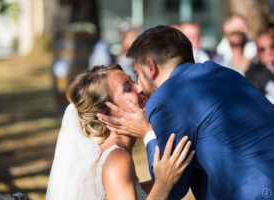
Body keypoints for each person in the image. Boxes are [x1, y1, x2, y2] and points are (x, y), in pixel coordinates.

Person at [98, 25, 274, 199]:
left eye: (138, 74)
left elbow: (173, 188)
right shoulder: (224, 72)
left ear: (151, 68)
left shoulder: (164, 98)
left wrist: (147, 133)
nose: (140, 88)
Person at [46, 65, 195, 200]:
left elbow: (132, 190)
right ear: (107, 112)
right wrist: (163, 185)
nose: (140, 88)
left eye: (133, 81)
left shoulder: (108, 156)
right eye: (127, 89)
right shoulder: (117, 159)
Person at [245, 32, 274, 103]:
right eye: (262, 49)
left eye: (272, 46)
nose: (268, 52)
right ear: (257, 53)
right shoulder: (253, 74)